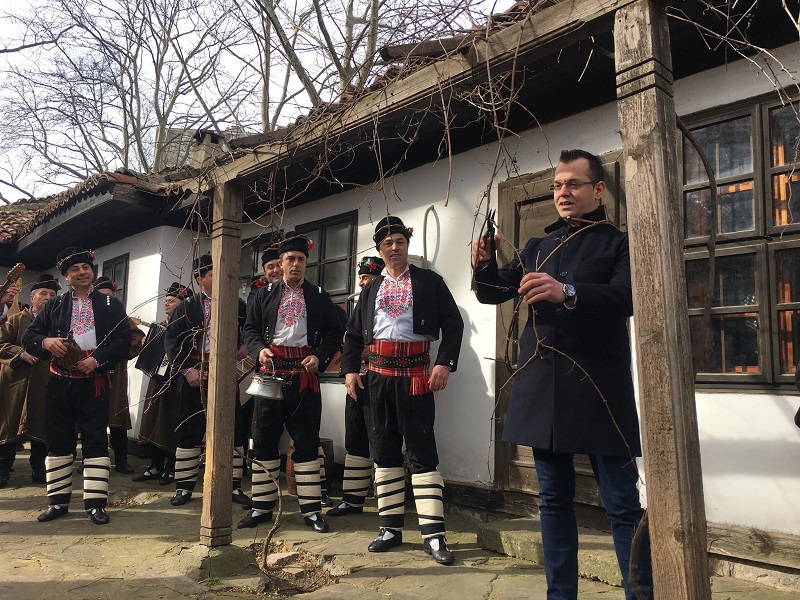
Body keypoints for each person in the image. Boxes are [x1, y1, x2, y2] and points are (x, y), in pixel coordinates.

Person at [472, 149, 653, 600]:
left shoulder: (620, 242)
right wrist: (483, 265)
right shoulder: (538, 246)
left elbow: (629, 297)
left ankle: (641, 594)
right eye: (557, 185)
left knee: (622, 503)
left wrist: (567, 290)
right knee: (552, 501)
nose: (563, 192)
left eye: (573, 183)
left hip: (599, 388)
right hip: (544, 389)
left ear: (598, 189)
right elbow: (493, 292)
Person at [342, 217, 464, 565]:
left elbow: (453, 323)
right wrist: (350, 371)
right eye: (387, 244)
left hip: (415, 378)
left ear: (407, 245)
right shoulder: (371, 289)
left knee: (422, 451)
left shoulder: (429, 282)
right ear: (379, 250)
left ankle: (434, 535)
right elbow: (353, 335)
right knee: (384, 450)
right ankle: (390, 529)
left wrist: (444, 363)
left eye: (399, 241)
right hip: (377, 379)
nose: (394, 248)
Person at [240, 232, 342, 532]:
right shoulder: (262, 295)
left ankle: (311, 510)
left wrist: (320, 357)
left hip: (304, 376)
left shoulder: (320, 297)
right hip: (270, 373)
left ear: (306, 263)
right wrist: (259, 350)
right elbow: (250, 331)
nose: (295, 264)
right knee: (263, 439)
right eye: (289, 259)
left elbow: (334, 333)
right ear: (281, 263)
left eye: (300, 259)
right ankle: (261, 508)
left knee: (307, 441)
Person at [23, 247, 132, 525]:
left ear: (91, 271)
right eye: (74, 269)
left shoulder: (111, 305)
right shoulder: (55, 305)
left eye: (85, 267)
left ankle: (95, 504)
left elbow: (124, 341)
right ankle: (58, 502)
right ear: (66, 277)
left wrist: (97, 359)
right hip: (60, 383)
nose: (82, 272)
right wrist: (46, 341)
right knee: (58, 440)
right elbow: (30, 337)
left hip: (93, 383)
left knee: (95, 440)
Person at [164, 254, 250, 507]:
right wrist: (186, 370)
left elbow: (251, 330)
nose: (220, 278)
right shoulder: (185, 307)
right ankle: (183, 487)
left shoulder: (238, 305)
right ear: (200, 279)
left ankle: (233, 485)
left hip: (225, 373)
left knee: (233, 428)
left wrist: (246, 344)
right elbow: (171, 342)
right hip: (193, 372)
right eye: (213, 274)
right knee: (190, 429)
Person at [327, 255, 384, 517]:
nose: (362, 283)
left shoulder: (390, 305)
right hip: (356, 382)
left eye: (367, 278)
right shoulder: (358, 309)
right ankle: (352, 499)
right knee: (355, 437)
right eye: (361, 278)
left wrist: (371, 353)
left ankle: (387, 503)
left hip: (382, 380)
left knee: (383, 439)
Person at [0, 274, 61, 487]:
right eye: (43, 293)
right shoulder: (16, 320)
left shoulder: (58, 324)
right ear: (32, 298)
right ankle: (2, 471)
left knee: (41, 428)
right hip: (14, 383)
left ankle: (40, 471)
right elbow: (0, 343)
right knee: (8, 427)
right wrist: (21, 354)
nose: (47, 298)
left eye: (52, 294)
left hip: (45, 383)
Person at [133, 283, 192, 484]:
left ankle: (172, 468)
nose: (167, 304)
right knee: (154, 420)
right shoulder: (160, 326)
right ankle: (155, 466)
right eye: (166, 301)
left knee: (172, 422)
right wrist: (144, 344)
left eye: (172, 301)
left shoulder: (190, 326)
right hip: (158, 381)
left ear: (183, 304)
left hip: (178, 381)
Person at [94, 277, 145, 474]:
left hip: (116, 373)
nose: (106, 299)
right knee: (93, 418)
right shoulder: (88, 315)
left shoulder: (121, 317)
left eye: (110, 296)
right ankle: (92, 459)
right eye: (102, 295)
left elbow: (136, 338)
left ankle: (121, 461)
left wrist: (119, 351)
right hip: (92, 373)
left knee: (117, 418)